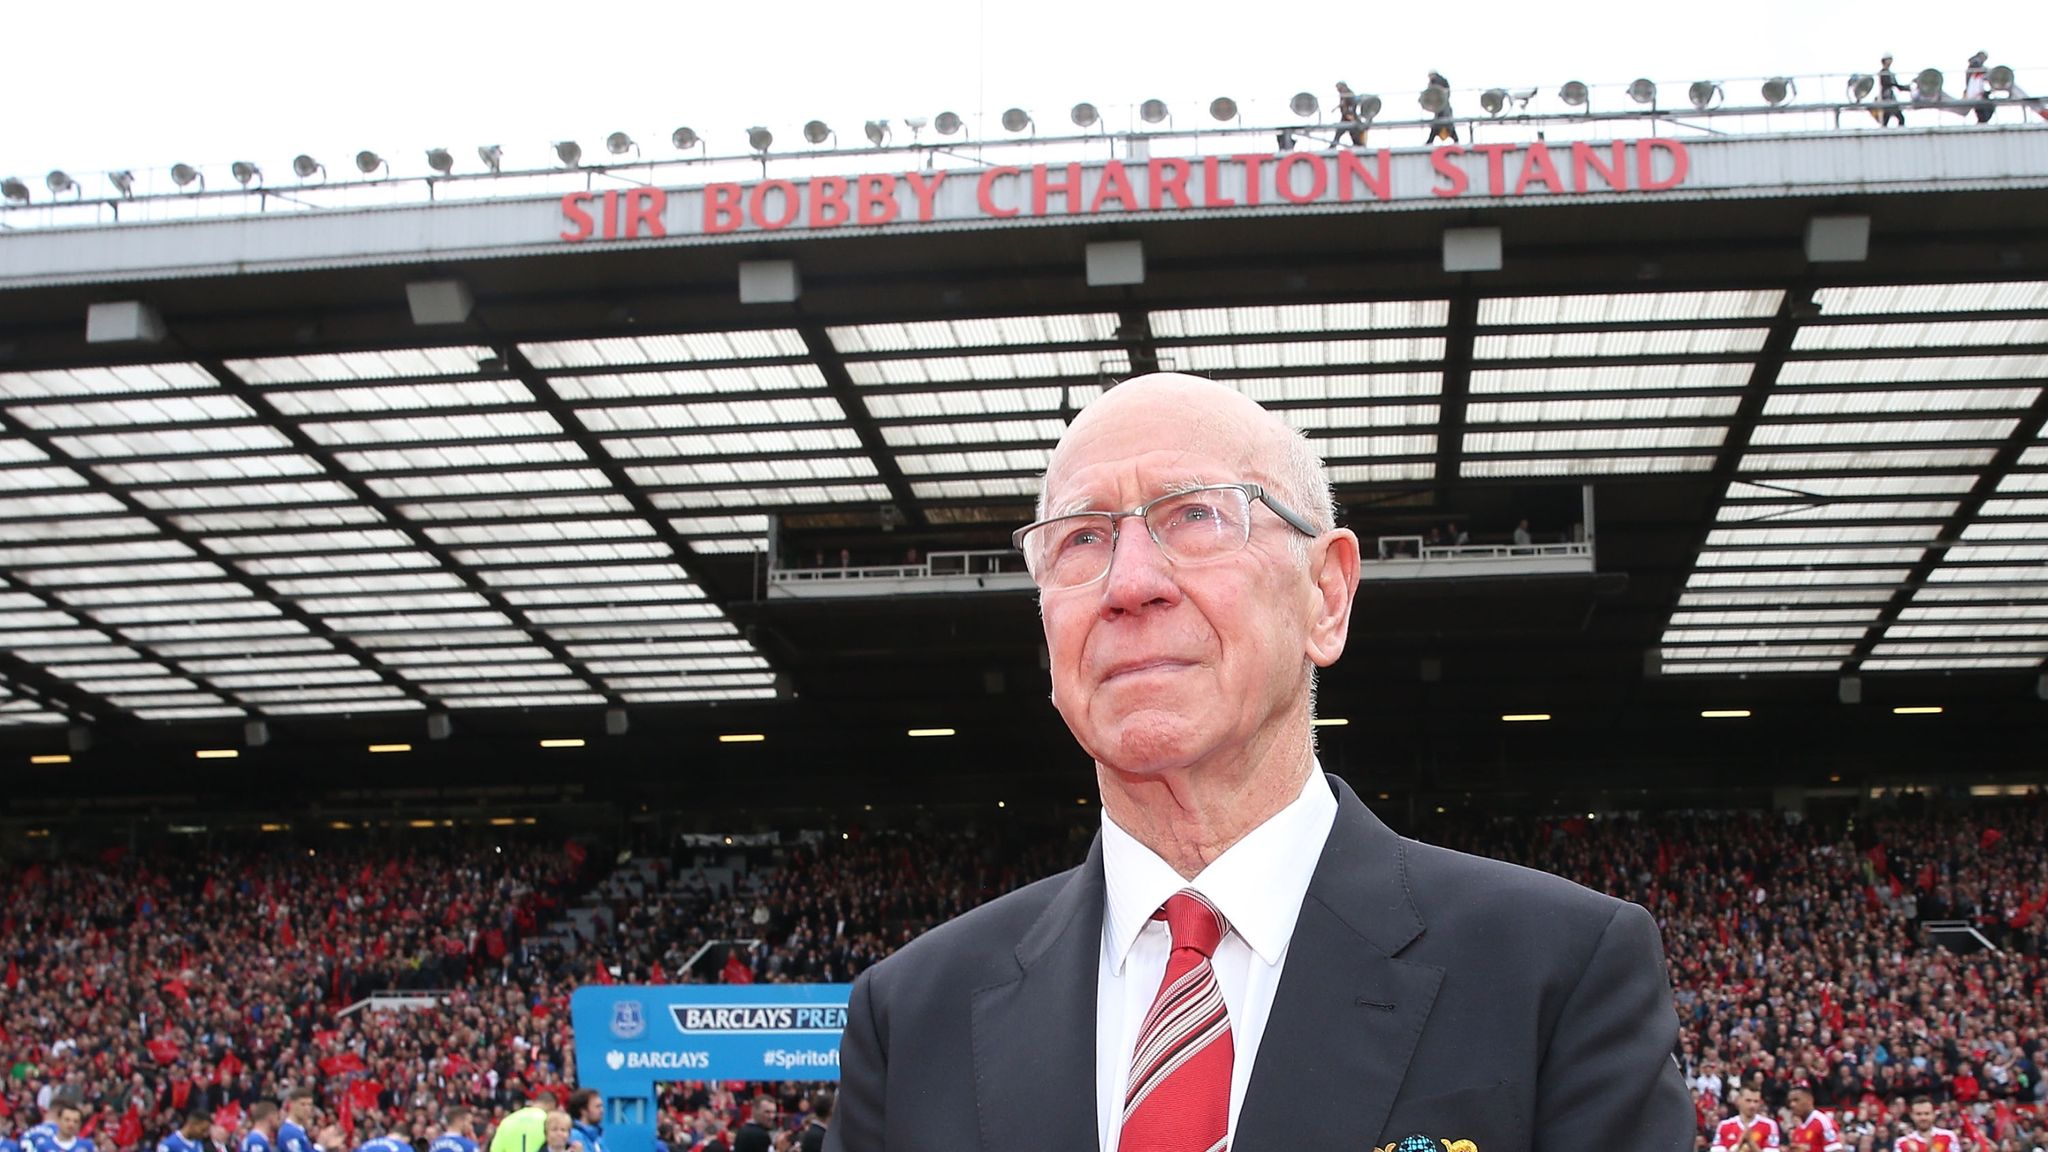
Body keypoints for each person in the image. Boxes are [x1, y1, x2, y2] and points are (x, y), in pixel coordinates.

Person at [827, 372, 1694, 1152]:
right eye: (1081, 540)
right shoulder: (910, 1020)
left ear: (1326, 595)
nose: (1130, 582)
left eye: (1195, 514)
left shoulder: (1560, 971)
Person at [1714, 1087, 1781, 1148]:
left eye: (1756, 1101)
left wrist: (1751, 1142)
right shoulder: (1724, 1126)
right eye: (1748, 1100)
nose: (1752, 1105)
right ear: (1739, 1100)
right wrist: (1740, 1144)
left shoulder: (1770, 1125)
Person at [1786, 1087, 1843, 1152]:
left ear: (1810, 1100)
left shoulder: (1823, 1122)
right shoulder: (1798, 1130)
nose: (1792, 1104)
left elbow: (1836, 1150)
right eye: (1790, 1101)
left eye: (1796, 1100)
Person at [1893, 1097, 1959, 1152]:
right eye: (1918, 1114)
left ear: (1933, 1115)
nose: (1923, 1117)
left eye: (1927, 1113)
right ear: (1912, 1115)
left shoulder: (1949, 1136)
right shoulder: (1901, 1143)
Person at [1425, 71, 1458, 143]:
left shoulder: (1435, 82)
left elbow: (1431, 92)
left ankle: (1430, 141)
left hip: (1441, 108)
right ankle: (1456, 140)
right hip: (1444, 108)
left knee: (1438, 125)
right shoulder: (1443, 81)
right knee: (1447, 125)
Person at [1333, 81, 1365, 147]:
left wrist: (1350, 115)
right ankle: (1358, 145)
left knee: (1351, 131)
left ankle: (1359, 145)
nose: (1337, 89)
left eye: (1338, 87)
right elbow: (1343, 103)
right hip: (1345, 115)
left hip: (1348, 116)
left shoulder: (1348, 93)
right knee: (1343, 131)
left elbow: (1352, 104)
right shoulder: (1343, 94)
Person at [1963, 51, 1993, 123]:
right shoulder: (1976, 63)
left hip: (1975, 90)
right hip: (1975, 91)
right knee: (1982, 106)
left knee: (1984, 106)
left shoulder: (1975, 69)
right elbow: (1979, 68)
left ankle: (1982, 120)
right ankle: (1982, 121)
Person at [1877, 55, 1906, 127]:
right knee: (1896, 117)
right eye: (1888, 59)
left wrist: (1906, 88)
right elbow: (1886, 83)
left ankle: (1884, 130)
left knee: (1888, 117)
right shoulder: (1883, 72)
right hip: (1886, 97)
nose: (1890, 61)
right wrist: (1896, 85)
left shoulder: (1890, 73)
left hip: (1890, 97)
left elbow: (1897, 86)